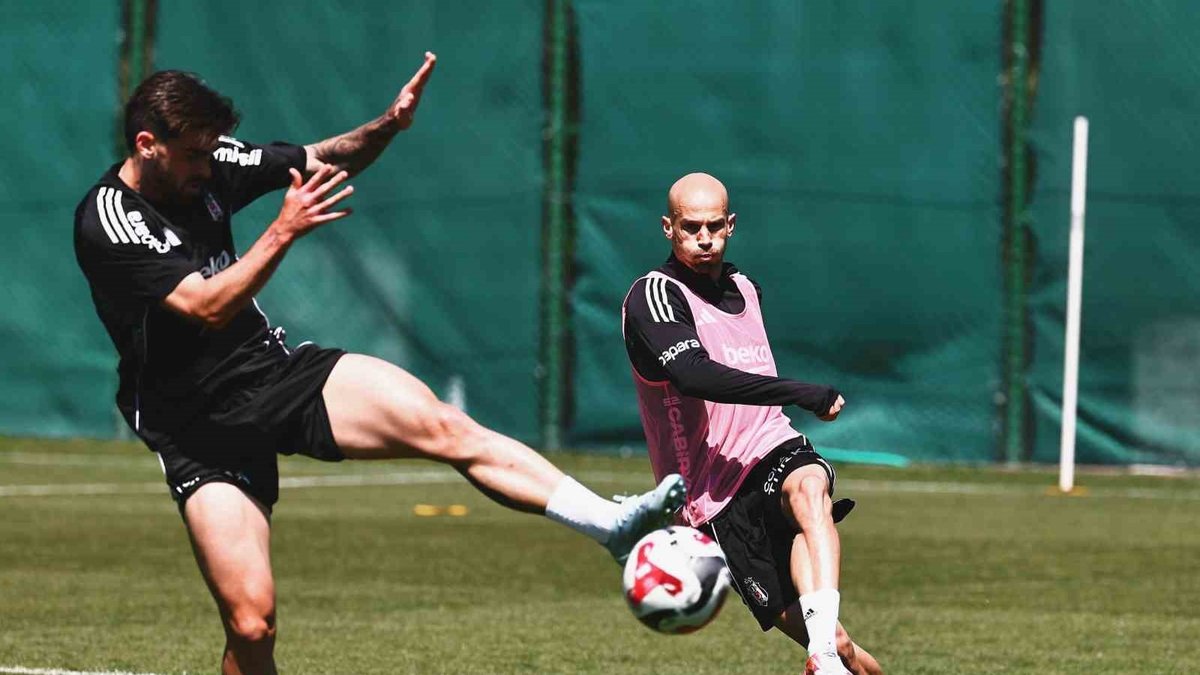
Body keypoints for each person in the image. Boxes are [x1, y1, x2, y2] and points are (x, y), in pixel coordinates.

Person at [73, 53, 685, 675]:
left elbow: (322, 159)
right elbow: (205, 306)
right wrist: (282, 232)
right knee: (252, 623)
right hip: (196, 428)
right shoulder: (108, 220)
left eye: (212, 153)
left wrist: (386, 126)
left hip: (273, 372)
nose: (209, 167)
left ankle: (612, 524)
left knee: (442, 425)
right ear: (148, 145)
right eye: (195, 156)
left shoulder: (207, 165)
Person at [621, 173, 883, 675]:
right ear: (668, 228)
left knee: (809, 490)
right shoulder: (653, 296)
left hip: (771, 446)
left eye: (714, 226)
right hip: (711, 497)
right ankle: (833, 651)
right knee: (848, 648)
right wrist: (803, 392)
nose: (704, 238)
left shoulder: (746, 287)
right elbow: (694, 375)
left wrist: (789, 405)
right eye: (691, 226)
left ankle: (822, 654)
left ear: (731, 224)